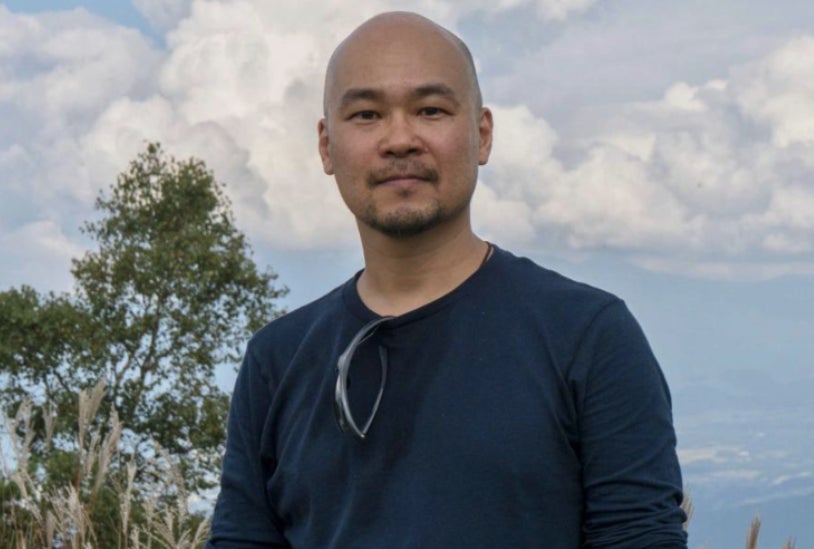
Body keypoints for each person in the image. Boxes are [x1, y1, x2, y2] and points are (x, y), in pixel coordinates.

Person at [206, 11, 687, 549]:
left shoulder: (587, 337)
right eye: (366, 115)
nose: (399, 139)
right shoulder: (276, 361)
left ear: (481, 135)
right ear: (326, 146)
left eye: (430, 110)